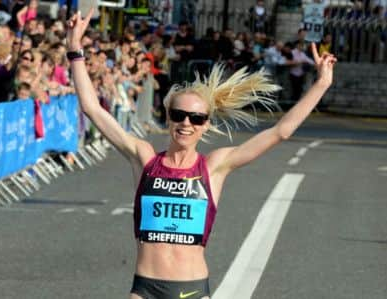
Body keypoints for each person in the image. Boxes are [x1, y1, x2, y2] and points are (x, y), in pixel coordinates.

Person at [66, 9, 337, 299]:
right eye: (179, 115)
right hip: (144, 288)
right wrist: (74, 52)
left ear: (205, 125)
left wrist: (321, 84)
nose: (186, 123)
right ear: (168, 118)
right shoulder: (144, 157)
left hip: (190, 289)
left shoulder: (215, 166)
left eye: (195, 118)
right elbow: (92, 108)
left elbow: (280, 132)